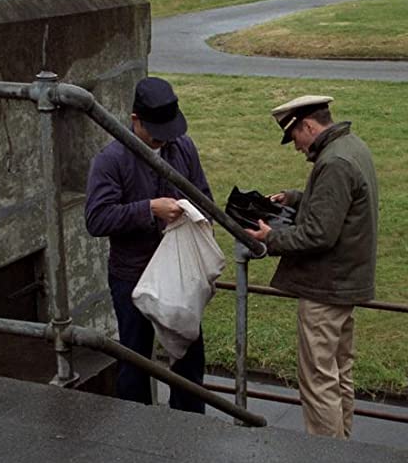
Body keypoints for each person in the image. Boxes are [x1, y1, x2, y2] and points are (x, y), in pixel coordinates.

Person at [244, 95, 379, 438]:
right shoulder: (352, 146)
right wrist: (294, 197)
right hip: (345, 283)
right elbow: (339, 205)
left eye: (294, 138)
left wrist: (270, 237)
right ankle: (341, 445)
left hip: (326, 287)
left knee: (318, 379)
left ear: (308, 126)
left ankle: (324, 460)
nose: (296, 148)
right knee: (339, 371)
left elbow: (319, 234)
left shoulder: (333, 163)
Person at [85, 76, 211, 414]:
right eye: (157, 129)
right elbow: (97, 219)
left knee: (189, 356)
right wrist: (149, 209)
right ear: (134, 120)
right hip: (133, 276)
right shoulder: (110, 160)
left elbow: (204, 196)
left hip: (179, 273)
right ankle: (135, 430)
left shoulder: (183, 147)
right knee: (135, 359)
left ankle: (188, 426)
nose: (164, 138)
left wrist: (192, 214)